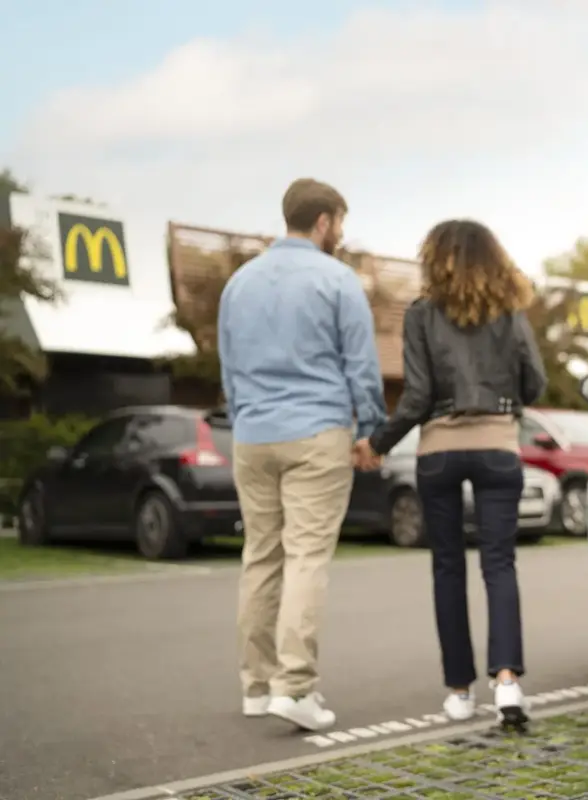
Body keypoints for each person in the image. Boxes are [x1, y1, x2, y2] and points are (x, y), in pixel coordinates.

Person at [218, 178, 387, 732]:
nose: (341, 232)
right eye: (339, 221)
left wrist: (246, 420)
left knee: (260, 556)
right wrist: (371, 433)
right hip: (316, 431)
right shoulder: (336, 279)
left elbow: (229, 368)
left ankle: (256, 684)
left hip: (253, 434)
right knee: (306, 557)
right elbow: (360, 367)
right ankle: (295, 688)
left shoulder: (238, 285)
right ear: (323, 222)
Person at [365, 219, 547, 727]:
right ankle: (508, 684)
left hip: (439, 452)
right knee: (499, 565)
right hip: (498, 449)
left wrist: (378, 442)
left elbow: (418, 397)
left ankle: (460, 692)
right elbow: (535, 383)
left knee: (448, 568)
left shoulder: (421, 314)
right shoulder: (510, 312)